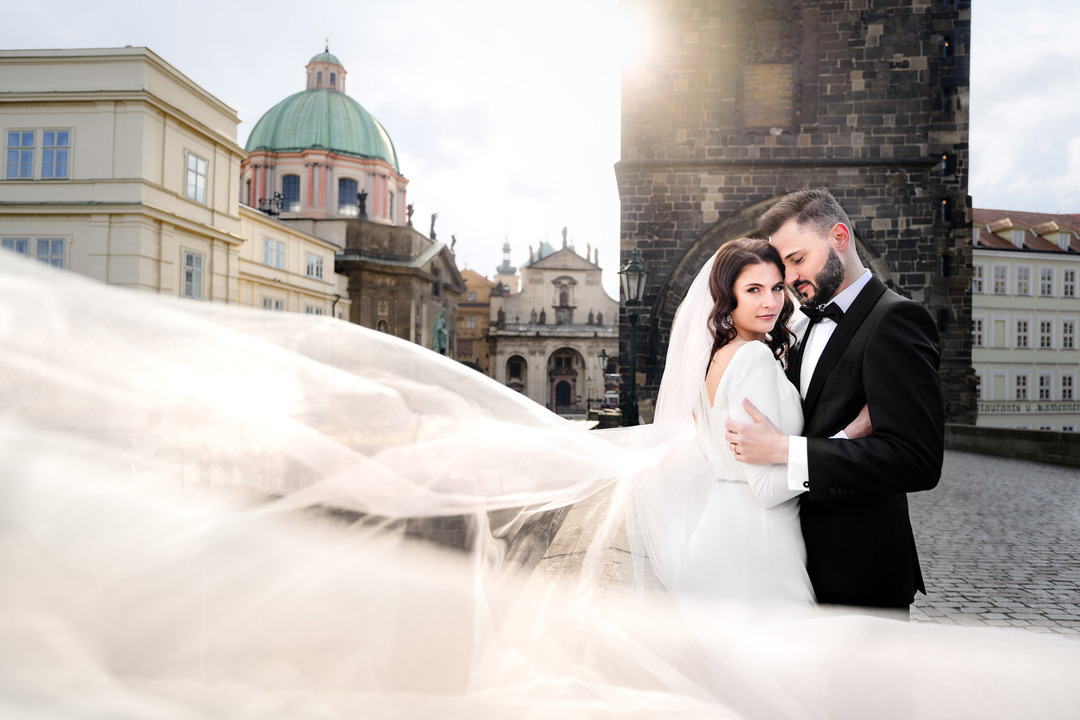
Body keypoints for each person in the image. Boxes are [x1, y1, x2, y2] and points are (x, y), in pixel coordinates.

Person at [725, 187, 945, 614]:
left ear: (839, 237)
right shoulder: (800, 325)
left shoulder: (897, 319)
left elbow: (917, 461)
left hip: (861, 576)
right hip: (792, 569)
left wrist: (786, 450)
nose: (790, 279)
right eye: (784, 266)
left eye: (797, 259)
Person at [634, 238, 870, 606]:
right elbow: (766, 489)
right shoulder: (752, 358)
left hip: (719, 533)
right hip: (759, 547)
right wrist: (850, 434)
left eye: (777, 288)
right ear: (727, 297)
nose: (771, 302)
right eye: (753, 290)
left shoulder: (714, 357)